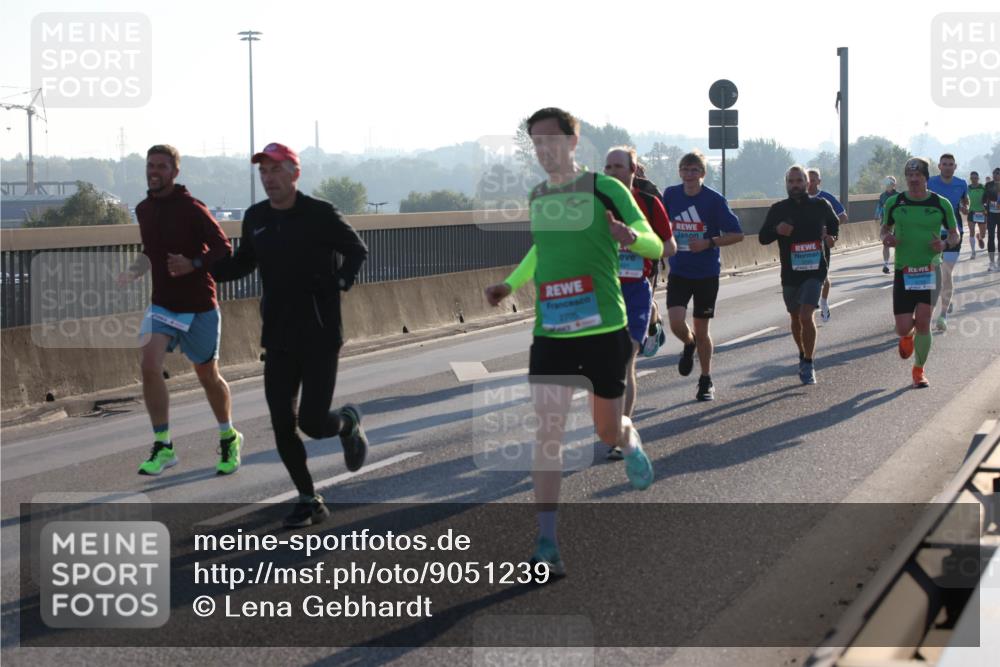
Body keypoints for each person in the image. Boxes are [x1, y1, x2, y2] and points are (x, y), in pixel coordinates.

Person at [485, 108, 662, 577]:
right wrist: (509, 284)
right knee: (548, 437)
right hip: (552, 333)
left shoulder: (606, 189)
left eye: (551, 141)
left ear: (572, 142)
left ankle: (630, 437)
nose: (544, 151)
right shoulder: (540, 196)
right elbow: (543, 249)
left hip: (603, 330)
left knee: (606, 430)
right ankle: (547, 542)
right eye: (536, 143)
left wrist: (629, 236)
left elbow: (654, 243)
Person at [210, 142, 370, 528]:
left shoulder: (319, 214)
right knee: (282, 422)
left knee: (313, 424)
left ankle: (347, 423)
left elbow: (356, 250)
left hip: (319, 332)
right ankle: (308, 498)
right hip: (278, 334)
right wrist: (201, 267)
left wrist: (340, 281)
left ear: (295, 173)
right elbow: (243, 263)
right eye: (263, 172)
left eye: (276, 170)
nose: (269, 178)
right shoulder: (256, 217)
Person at [118, 145, 242, 477]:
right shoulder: (143, 209)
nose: (153, 171)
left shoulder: (192, 208)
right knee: (148, 364)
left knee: (208, 377)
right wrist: (133, 271)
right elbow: (150, 252)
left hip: (199, 305)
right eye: (150, 165)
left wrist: (193, 263)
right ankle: (164, 446)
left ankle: (229, 436)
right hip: (163, 304)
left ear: (175, 172)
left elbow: (223, 248)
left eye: (161, 166)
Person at [603, 146, 677, 459]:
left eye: (618, 166)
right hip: (601, 290)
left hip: (634, 289)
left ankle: (621, 432)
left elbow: (669, 248)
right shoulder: (591, 205)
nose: (612, 172)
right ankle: (654, 321)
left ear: (634, 170)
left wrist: (635, 241)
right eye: (608, 167)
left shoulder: (648, 203)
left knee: (624, 361)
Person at [661, 151, 744, 401]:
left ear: (702, 173)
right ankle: (689, 344)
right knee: (675, 322)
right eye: (685, 169)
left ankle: (706, 379)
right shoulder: (671, 195)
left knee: (702, 326)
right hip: (679, 271)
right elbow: (659, 223)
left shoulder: (714, 200)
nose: (689, 174)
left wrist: (709, 242)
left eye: (694, 170)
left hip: (706, 273)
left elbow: (737, 234)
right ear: (680, 172)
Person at [881, 157, 959, 388]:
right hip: (903, 271)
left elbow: (954, 234)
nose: (914, 180)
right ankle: (907, 335)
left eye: (918, 176)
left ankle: (919, 370)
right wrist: (887, 237)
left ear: (926, 178)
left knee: (924, 321)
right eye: (910, 176)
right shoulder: (895, 202)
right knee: (903, 326)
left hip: (929, 269)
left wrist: (944, 245)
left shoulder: (940, 203)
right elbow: (885, 228)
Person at [759, 166, 839, 385]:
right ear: (786, 184)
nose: (795, 185)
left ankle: (808, 361)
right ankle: (802, 353)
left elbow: (834, 224)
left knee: (806, 315)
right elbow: (762, 238)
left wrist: (831, 236)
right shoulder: (778, 209)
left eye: (799, 181)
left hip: (815, 270)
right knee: (795, 317)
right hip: (790, 273)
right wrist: (777, 230)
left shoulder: (820, 205)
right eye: (791, 181)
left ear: (807, 183)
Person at [927, 153, 969, 332]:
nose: (947, 167)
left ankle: (943, 315)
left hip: (953, 234)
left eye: (951, 164)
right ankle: (939, 304)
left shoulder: (961, 183)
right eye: (944, 164)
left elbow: (965, 202)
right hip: (932, 234)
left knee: (946, 274)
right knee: (932, 275)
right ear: (939, 166)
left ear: (955, 166)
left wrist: (965, 207)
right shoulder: (930, 183)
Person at [805, 169, 847, 322]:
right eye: (808, 180)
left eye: (814, 180)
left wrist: (828, 231)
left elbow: (843, 216)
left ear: (819, 181)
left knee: (823, 277)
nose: (810, 183)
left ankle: (823, 302)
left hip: (822, 244)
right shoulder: (798, 198)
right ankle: (810, 303)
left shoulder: (826, 198)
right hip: (805, 245)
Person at [875, 176, 898, 273]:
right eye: (886, 184)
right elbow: (879, 206)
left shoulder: (899, 195)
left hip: (898, 223)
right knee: (886, 243)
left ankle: (899, 264)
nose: (887, 186)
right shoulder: (882, 196)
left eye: (889, 184)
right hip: (886, 223)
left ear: (894, 185)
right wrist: (876, 215)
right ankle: (886, 264)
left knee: (899, 245)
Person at [967, 171, 986, 260]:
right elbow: (963, 199)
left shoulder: (982, 187)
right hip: (971, 212)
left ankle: (979, 237)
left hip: (981, 212)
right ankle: (973, 252)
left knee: (983, 234)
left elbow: (987, 198)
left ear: (978, 178)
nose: (974, 180)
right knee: (971, 231)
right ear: (970, 179)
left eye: (975, 178)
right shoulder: (968, 188)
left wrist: (986, 209)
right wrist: (963, 206)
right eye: (972, 178)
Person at [985, 167, 1000, 271]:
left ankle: (999, 260)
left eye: (998, 173)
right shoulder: (988, 185)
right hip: (991, 214)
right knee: (990, 237)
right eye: (994, 173)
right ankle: (991, 262)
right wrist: (985, 206)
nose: (995, 175)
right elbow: (984, 199)